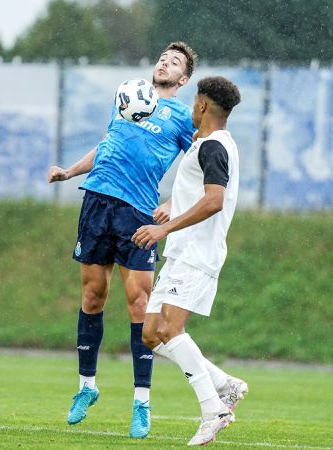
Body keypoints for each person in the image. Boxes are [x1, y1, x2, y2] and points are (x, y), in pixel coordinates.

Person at [47, 41, 198, 439]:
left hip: (138, 213)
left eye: (175, 62)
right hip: (97, 201)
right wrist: (68, 172)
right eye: (164, 57)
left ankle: (141, 401)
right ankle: (86, 387)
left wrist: (173, 202)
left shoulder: (183, 117)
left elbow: (200, 162)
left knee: (139, 304)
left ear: (183, 79)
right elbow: (106, 148)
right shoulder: (129, 97)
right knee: (93, 295)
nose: (165, 62)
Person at [132, 76, 248, 446]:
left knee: (169, 330)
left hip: (196, 254)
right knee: (151, 333)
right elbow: (200, 194)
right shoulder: (208, 144)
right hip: (182, 252)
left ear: (201, 106)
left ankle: (212, 409)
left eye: (193, 103)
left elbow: (214, 199)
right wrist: (172, 208)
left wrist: (165, 229)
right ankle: (224, 385)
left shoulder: (213, 146)